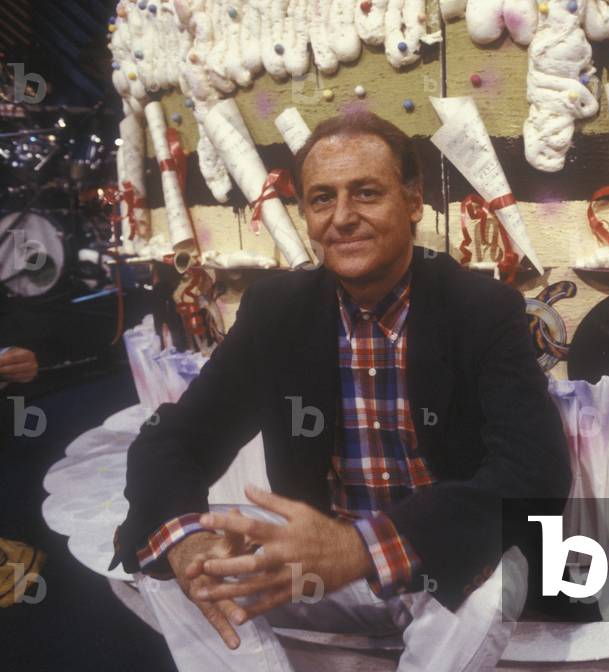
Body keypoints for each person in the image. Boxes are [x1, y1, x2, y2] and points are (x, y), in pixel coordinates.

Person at [109, 111, 572, 671]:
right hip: (319, 574)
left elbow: (534, 475)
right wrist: (189, 544)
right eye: (322, 199)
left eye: (367, 193)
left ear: (413, 200)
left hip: (438, 568)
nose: (343, 218)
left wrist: (361, 548)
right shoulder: (277, 310)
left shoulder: (482, 308)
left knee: (497, 582)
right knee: (169, 555)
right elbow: (173, 443)